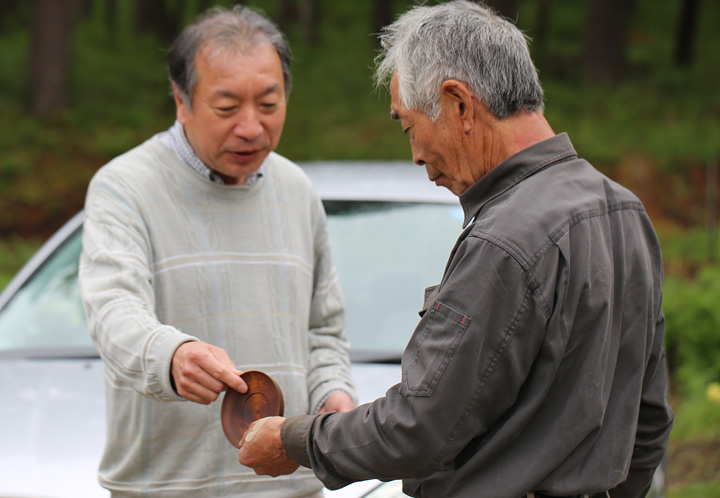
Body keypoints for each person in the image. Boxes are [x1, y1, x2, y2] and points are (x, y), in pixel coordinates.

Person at [237, 1, 674, 497]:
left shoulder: (507, 238)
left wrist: (294, 439)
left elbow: (418, 427)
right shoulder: (624, 212)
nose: (417, 154)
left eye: (408, 126)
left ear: (459, 104)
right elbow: (649, 419)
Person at [78, 5, 356, 498]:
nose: (251, 127)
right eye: (227, 108)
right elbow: (112, 310)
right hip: (163, 488)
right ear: (181, 101)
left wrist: (333, 394)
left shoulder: (297, 190)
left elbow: (324, 329)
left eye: (269, 105)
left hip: (290, 485)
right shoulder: (124, 187)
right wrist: (170, 355)